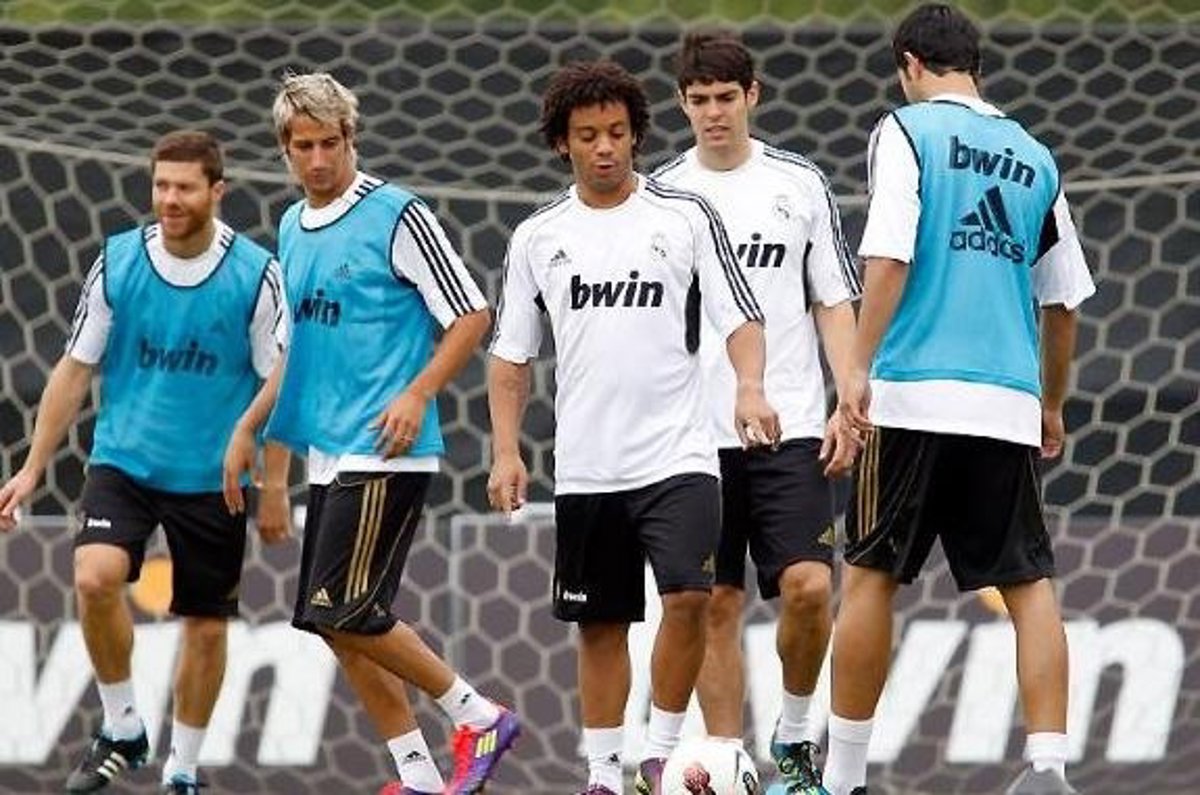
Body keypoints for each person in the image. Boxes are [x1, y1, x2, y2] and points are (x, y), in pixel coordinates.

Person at [486, 60, 780, 795]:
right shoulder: (538, 236)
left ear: (637, 135)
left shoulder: (684, 217)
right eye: (589, 135)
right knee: (601, 624)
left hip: (679, 455)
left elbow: (742, 317)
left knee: (690, 597)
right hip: (588, 465)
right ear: (563, 142)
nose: (605, 148)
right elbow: (511, 357)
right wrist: (505, 450)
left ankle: (659, 753)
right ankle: (601, 774)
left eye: (617, 133)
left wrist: (749, 388)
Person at [825, 5, 1096, 795]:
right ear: (975, 65)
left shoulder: (905, 131)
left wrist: (856, 369)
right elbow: (1064, 301)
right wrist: (1051, 403)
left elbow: (888, 256)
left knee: (870, 575)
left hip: (912, 396)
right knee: (1029, 584)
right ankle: (1048, 768)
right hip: (1006, 402)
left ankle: (843, 778)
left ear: (910, 64)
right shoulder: (1035, 156)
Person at [232, 72, 514, 795]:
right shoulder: (291, 227)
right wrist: (258, 444)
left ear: (351, 139)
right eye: (303, 146)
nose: (318, 159)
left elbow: (471, 313)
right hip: (328, 453)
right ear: (284, 150)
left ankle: (478, 715)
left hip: (386, 448)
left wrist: (418, 394)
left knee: (345, 608)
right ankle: (417, 775)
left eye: (330, 143)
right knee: (332, 621)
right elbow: (293, 352)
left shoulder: (397, 213)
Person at [0, 130, 290, 794]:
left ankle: (182, 769)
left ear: (217, 191)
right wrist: (32, 468)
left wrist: (274, 483)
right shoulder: (119, 261)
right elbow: (74, 370)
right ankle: (123, 723)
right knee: (94, 577)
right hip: (124, 462)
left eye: (185, 187)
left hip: (213, 477)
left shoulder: (256, 275)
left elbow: (280, 387)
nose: (170, 199)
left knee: (206, 627)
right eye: (161, 185)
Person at [653, 30, 861, 794]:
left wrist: (848, 395)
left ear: (753, 96)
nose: (713, 112)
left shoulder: (798, 183)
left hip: (791, 423)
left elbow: (832, 298)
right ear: (682, 104)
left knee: (808, 587)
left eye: (725, 97)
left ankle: (796, 736)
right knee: (715, 601)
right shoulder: (662, 194)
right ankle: (726, 758)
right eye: (699, 99)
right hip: (693, 438)